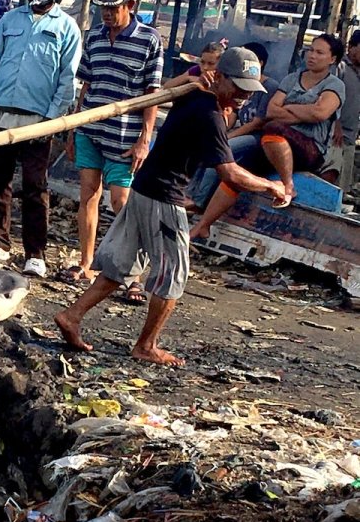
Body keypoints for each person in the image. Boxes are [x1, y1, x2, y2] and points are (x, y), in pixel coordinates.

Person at [54, 47, 287, 367]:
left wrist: (200, 84)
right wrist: (271, 185)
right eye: (238, 89)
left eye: (248, 92)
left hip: (144, 189)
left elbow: (165, 91)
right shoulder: (208, 114)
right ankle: (146, 345)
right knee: (173, 275)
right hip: (164, 198)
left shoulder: (195, 95)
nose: (243, 98)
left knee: (120, 264)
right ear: (218, 78)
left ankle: (71, 315)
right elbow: (229, 173)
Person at [0, 0, 81, 278]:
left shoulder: (67, 27)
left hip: (38, 119)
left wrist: (52, 119)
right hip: (0, 113)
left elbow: (67, 79)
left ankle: (35, 253)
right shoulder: (10, 20)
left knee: (35, 187)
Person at [63, 0, 163, 305]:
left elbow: (153, 94)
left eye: (113, 7)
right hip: (91, 128)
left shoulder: (149, 40)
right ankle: (87, 262)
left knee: (123, 204)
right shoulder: (93, 36)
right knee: (88, 195)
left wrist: (144, 139)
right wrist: (73, 126)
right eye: (103, 7)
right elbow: (86, 84)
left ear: (130, 5)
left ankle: (132, 276)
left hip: (125, 135)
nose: (107, 12)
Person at [191, 35, 344, 238]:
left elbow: (320, 113)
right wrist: (304, 112)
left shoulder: (334, 84)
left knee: (273, 129)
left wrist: (288, 109)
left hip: (309, 148)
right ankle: (203, 224)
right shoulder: (292, 78)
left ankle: (288, 186)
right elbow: (273, 110)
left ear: (332, 59)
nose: (312, 56)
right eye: (311, 50)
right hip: (273, 144)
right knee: (240, 171)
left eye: (319, 52)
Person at [188, 41, 279, 209]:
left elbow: (256, 123)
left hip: (257, 137)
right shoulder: (206, 103)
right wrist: (222, 130)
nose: (247, 94)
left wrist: (225, 138)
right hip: (240, 132)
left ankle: (198, 202)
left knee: (219, 151)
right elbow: (233, 115)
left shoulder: (269, 86)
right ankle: (189, 193)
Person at [334, 31, 360, 193]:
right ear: (351, 47)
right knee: (331, 180)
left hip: (351, 134)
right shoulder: (340, 67)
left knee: (342, 187)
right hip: (335, 135)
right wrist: (336, 124)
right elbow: (330, 97)